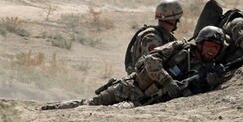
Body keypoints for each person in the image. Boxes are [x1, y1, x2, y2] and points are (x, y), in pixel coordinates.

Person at [42, 26, 226, 110]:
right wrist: (167, 81)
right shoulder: (178, 47)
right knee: (92, 105)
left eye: (216, 48)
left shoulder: (205, 70)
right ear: (200, 43)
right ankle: (54, 109)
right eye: (209, 45)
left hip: (146, 102)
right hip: (130, 87)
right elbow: (150, 61)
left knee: (106, 114)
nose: (212, 50)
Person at [124, 0, 183, 74]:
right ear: (172, 20)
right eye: (176, 19)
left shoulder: (167, 36)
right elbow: (152, 66)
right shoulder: (152, 38)